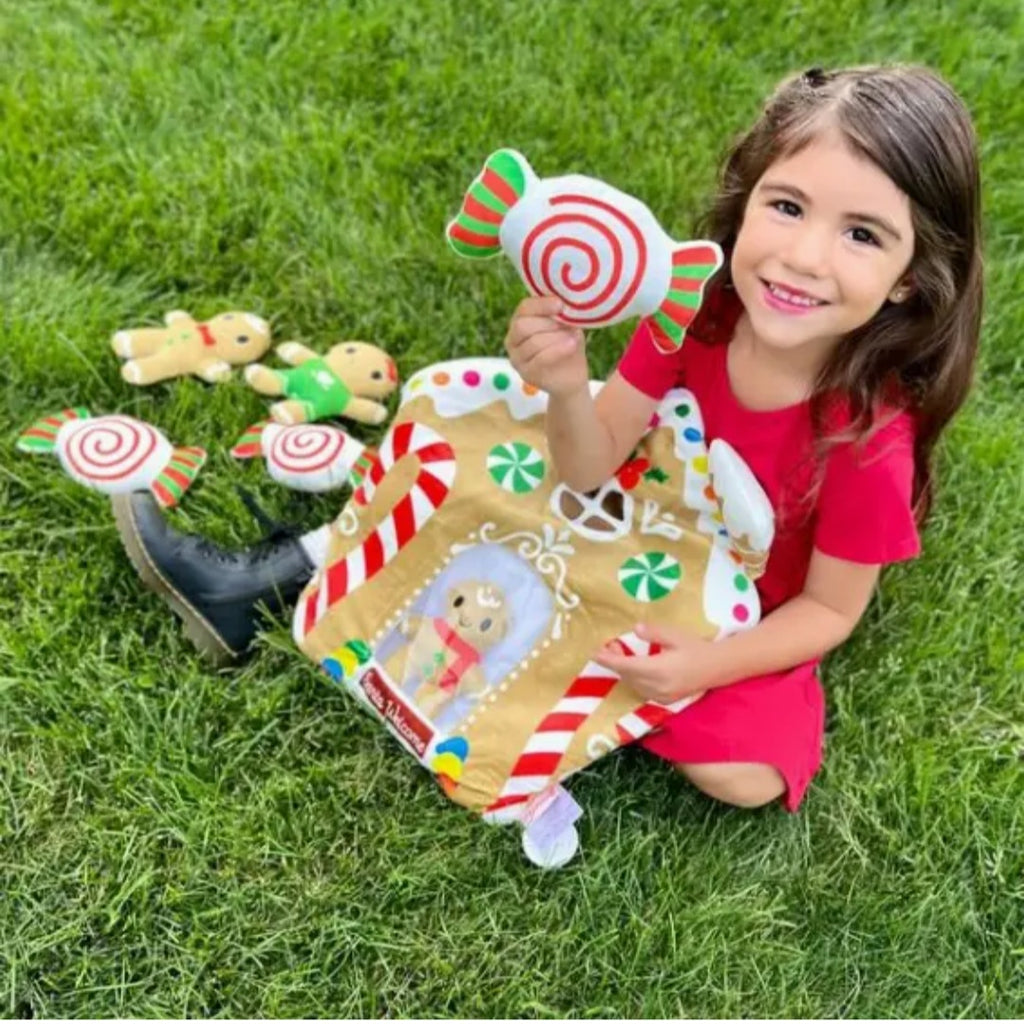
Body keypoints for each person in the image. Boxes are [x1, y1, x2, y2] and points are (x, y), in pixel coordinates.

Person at [112, 64, 983, 813]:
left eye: (862, 234)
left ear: (911, 279)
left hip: (727, 605)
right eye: (787, 207)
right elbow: (588, 466)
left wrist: (709, 662)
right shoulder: (698, 314)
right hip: (620, 513)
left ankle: (578, 656)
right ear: (744, 201)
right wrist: (569, 386)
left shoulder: (866, 437)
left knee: (743, 775)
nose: (803, 257)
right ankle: (273, 577)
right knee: (471, 461)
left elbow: (830, 610)